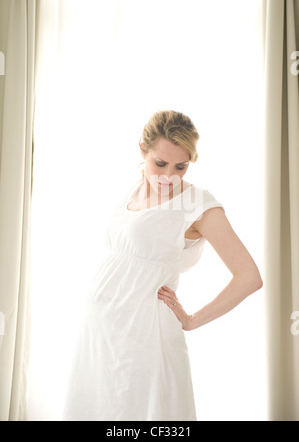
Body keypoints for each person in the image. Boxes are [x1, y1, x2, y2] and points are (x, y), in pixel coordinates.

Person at [62, 110, 263, 421]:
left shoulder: (198, 204)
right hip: (99, 332)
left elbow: (249, 277)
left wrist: (193, 319)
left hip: (145, 337)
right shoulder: (133, 188)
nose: (169, 176)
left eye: (180, 167)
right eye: (160, 163)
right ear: (142, 150)